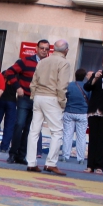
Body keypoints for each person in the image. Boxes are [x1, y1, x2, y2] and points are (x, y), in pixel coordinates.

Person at [27, 39, 72, 176]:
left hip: (38, 97)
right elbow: (62, 85)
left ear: (53, 49)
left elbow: (33, 82)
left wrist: (33, 96)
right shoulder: (64, 63)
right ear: (66, 50)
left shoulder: (42, 61)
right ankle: (51, 163)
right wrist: (62, 102)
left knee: (34, 131)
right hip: (52, 97)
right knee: (57, 132)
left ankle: (31, 162)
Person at [7, 40, 50, 165]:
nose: (44, 50)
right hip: (25, 97)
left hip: (38, 99)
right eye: (42, 48)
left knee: (30, 129)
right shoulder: (25, 61)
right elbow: (9, 72)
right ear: (36, 48)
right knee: (19, 124)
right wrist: (17, 87)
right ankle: (12, 153)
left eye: (46, 49)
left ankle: (21, 155)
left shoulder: (48, 64)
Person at [61, 69, 90, 164]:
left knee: (67, 135)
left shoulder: (70, 85)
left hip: (69, 111)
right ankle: (81, 158)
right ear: (84, 76)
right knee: (81, 137)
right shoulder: (87, 87)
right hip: (82, 113)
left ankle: (65, 156)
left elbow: (65, 96)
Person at [0, 65, 18, 152]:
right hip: (12, 101)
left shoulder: (3, 73)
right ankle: (4, 147)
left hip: (1, 100)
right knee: (9, 125)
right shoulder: (17, 76)